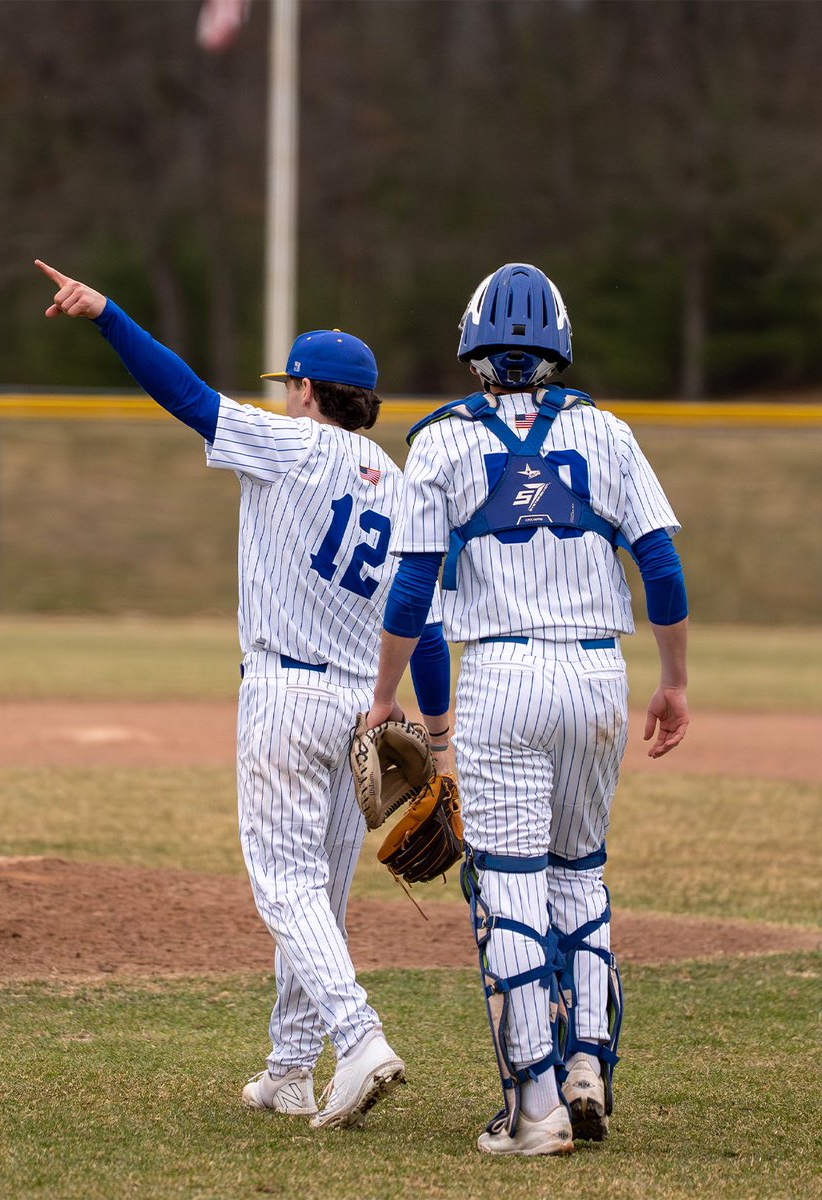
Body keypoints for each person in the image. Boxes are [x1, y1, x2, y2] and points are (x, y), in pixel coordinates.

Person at [34, 259, 452, 1130]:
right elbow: (431, 627)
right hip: (360, 709)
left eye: (291, 384)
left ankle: (361, 1037)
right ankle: (290, 1071)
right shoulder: (402, 484)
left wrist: (109, 313)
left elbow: (188, 398)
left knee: (283, 887)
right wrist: (437, 736)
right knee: (321, 894)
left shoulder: (290, 442)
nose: (286, 395)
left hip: (285, 693)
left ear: (307, 389)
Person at [367, 263, 689, 1156]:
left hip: (502, 678)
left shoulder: (438, 442)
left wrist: (386, 694)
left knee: (508, 890)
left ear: (473, 350)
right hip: (597, 678)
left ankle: (535, 1112)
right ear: (560, 347)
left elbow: (413, 588)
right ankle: (588, 1063)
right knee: (579, 875)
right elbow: (660, 566)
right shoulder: (610, 434)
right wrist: (675, 681)